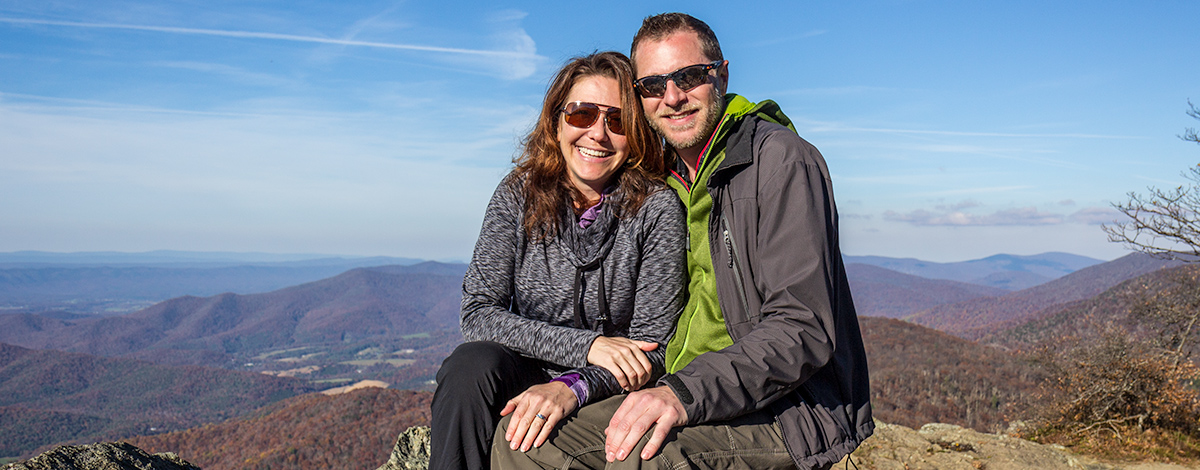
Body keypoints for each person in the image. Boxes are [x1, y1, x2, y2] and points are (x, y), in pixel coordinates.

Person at [492, 13, 873, 470]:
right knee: (525, 442)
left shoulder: (780, 163)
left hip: (785, 407)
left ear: (722, 73)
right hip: (677, 386)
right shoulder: (658, 179)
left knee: (646, 458)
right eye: (652, 86)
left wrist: (682, 392)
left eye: (689, 77)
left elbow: (802, 329)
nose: (672, 98)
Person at [428, 51, 687, 470]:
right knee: (467, 369)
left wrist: (574, 384)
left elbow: (652, 349)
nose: (598, 134)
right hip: (526, 366)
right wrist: (589, 346)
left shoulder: (656, 211)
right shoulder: (519, 194)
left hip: (607, 388)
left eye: (617, 121)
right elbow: (477, 315)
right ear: (556, 121)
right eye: (582, 114)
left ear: (636, 133)